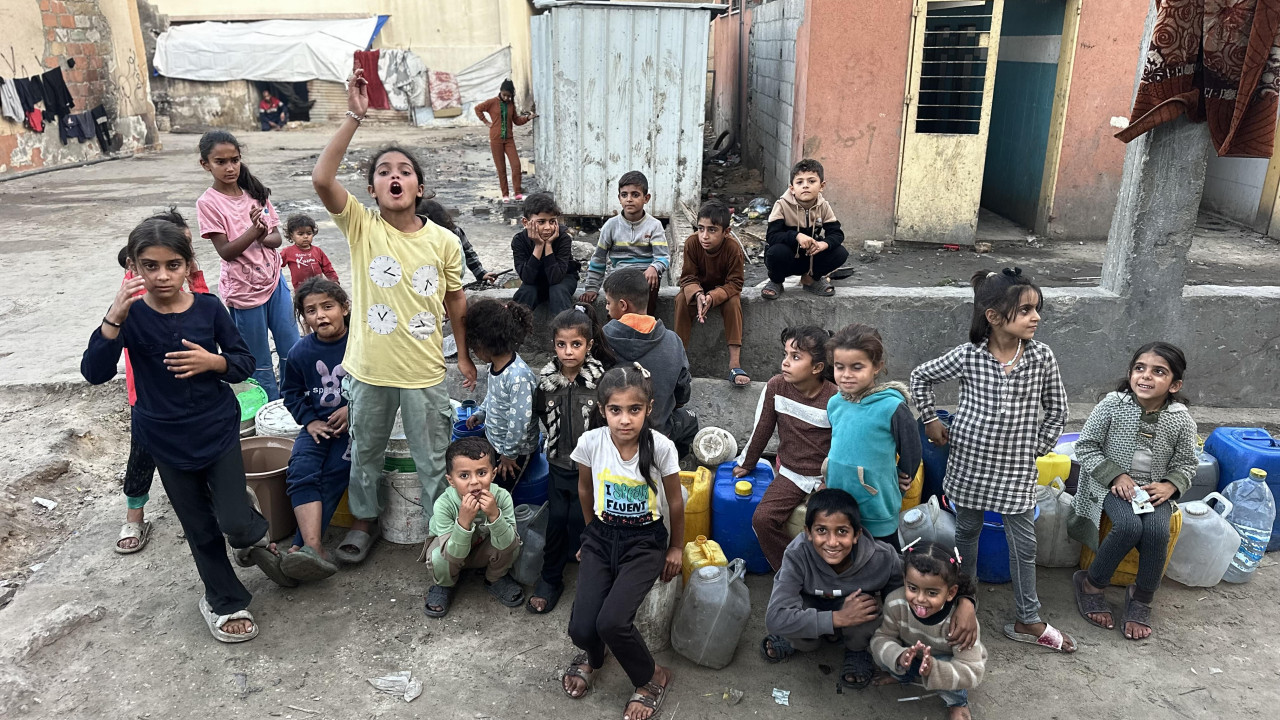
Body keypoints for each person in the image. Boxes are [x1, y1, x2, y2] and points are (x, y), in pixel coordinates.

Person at [82, 218, 295, 644]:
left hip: (216, 429)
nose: (162, 276)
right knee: (199, 527)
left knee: (235, 521)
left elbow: (244, 362)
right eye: (150, 266)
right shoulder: (130, 316)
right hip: (164, 438)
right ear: (134, 267)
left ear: (188, 264)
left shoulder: (208, 308)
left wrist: (214, 362)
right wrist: (113, 317)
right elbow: (94, 372)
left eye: (172, 265)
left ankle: (247, 527)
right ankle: (224, 600)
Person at [311, 59, 477, 565]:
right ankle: (364, 521)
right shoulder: (362, 227)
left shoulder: (444, 241)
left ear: (419, 188)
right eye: (384, 172)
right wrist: (354, 116)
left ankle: (440, 531)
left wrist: (462, 356)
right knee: (365, 454)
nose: (394, 176)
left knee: (432, 460)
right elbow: (322, 178)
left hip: (424, 371)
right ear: (373, 190)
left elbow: (455, 300)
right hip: (369, 370)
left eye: (404, 171)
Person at [910, 268, 1074, 653]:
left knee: (1024, 544)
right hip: (969, 464)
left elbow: (1058, 408)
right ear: (994, 317)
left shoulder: (1040, 357)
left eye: (1037, 309)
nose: (1036, 317)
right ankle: (965, 602)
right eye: (1026, 310)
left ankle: (1027, 617)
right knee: (967, 533)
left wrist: (1037, 446)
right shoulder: (969, 356)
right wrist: (930, 419)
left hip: (1016, 471)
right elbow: (920, 377)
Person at [560, 365, 684, 720]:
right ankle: (595, 656)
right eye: (615, 410)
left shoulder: (660, 447)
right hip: (601, 535)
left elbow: (676, 502)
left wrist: (676, 547)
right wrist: (590, 536)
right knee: (581, 627)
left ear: (649, 409)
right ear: (602, 410)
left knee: (612, 622)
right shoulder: (591, 443)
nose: (625, 419)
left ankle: (651, 676)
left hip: (645, 541)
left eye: (634, 409)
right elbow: (585, 490)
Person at [763, 489, 979, 690]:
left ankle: (857, 651)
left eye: (842, 531)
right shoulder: (797, 554)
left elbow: (929, 577)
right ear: (808, 532)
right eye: (821, 531)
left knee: (871, 608)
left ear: (856, 534)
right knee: (800, 637)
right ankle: (794, 640)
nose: (832, 542)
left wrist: (966, 601)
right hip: (812, 607)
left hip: (857, 614)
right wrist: (838, 618)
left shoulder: (881, 557)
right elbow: (774, 617)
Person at [1069, 342, 1199, 641]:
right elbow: (1086, 446)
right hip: (1109, 484)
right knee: (1128, 526)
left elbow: (1187, 463)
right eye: (1140, 368)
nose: (1146, 376)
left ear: (1175, 385)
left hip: (1154, 490)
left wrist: (1170, 484)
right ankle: (1091, 583)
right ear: (1130, 373)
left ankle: (1141, 596)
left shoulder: (1181, 419)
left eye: (1159, 372)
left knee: (1156, 531)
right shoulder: (1112, 406)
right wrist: (1116, 475)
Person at [114, 208, 209, 555]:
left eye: (184, 252)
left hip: (193, 387)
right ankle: (135, 515)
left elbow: (207, 315)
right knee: (142, 452)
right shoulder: (137, 289)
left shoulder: (190, 281)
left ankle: (206, 501)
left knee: (201, 445)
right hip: (150, 395)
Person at [196, 129, 299, 402]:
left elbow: (276, 239)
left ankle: (294, 400)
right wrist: (254, 231)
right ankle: (269, 408)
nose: (230, 168)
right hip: (244, 291)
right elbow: (226, 252)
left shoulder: (255, 193)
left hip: (274, 280)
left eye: (235, 160)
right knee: (258, 359)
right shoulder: (208, 203)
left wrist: (262, 233)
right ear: (206, 164)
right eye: (220, 162)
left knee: (292, 347)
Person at [527, 304, 616, 614]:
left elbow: (610, 424)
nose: (568, 351)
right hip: (558, 465)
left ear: (588, 345)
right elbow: (540, 414)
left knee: (587, 522)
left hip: (591, 470)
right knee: (556, 522)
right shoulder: (546, 382)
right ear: (553, 345)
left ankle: (593, 583)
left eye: (576, 344)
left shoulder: (600, 383)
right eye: (561, 344)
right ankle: (551, 578)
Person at [741, 326, 837, 571]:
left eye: (795, 357)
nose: (785, 362)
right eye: (785, 354)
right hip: (791, 473)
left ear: (817, 367)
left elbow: (842, 445)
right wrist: (746, 464)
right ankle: (794, 571)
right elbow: (761, 429)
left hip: (827, 475)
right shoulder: (776, 387)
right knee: (762, 520)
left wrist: (830, 480)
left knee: (830, 528)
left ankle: (830, 574)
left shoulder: (835, 398)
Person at [277, 277, 351, 582]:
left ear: (344, 307)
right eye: (310, 311)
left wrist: (353, 409)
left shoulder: (361, 345)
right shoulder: (300, 352)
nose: (320, 315)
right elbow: (291, 393)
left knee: (333, 474)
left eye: (327, 306)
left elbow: (379, 383)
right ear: (304, 317)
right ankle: (313, 548)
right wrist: (309, 421)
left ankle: (301, 546)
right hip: (317, 428)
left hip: (355, 430)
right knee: (301, 470)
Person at [826, 323, 923, 549]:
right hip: (838, 501)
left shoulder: (892, 407)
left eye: (857, 367)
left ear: (877, 366)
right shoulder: (835, 403)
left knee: (882, 556)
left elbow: (911, 449)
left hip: (876, 505)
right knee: (843, 553)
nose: (846, 375)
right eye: (839, 367)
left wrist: (903, 475)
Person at [871, 540, 987, 720]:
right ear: (904, 580)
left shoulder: (960, 622)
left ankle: (957, 702)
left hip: (943, 662)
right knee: (887, 656)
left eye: (932, 593)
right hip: (910, 655)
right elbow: (882, 638)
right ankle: (903, 675)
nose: (920, 599)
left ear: (951, 592)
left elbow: (972, 671)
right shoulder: (895, 602)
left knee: (952, 680)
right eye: (912, 588)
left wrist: (934, 669)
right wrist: (898, 656)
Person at [421, 436, 524, 616]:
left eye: (482, 473)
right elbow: (452, 555)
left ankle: (494, 578)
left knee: (513, 542)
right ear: (451, 480)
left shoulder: (502, 497)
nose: (474, 481)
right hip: (452, 553)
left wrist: (494, 515)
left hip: (483, 549)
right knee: (438, 557)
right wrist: (463, 522)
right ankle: (445, 584)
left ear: (493, 474)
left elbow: (508, 545)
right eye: (464, 475)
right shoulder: (444, 504)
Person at [601, 268, 692, 441]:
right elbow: (683, 392)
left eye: (608, 303)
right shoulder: (673, 340)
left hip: (614, 433)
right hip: (658, 434)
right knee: (690, 419)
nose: (606, 308)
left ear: (623, 305)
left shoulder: (602, 339)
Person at [463, 299, 540, 487]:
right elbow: (493, 395)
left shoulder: (518, 377)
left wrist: (509, 455)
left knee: (501, 491)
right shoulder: (495, 365)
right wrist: (482, 413)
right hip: (495, 440)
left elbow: (520, 421)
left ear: (484, 344)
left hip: (516, 451)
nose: (474, 352)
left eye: (473, 348)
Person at [675, 200, 747, 386]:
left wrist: (714, 297)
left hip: (723, 292)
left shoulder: (732, 248)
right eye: (701, 229)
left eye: (712, 230)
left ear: (726, 231)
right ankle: (678, 361)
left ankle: (734, 364)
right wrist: (698, 294)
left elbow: (736, 283)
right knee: (681, 299)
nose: (704, 236)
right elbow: (687, 278)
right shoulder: (692, 243)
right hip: (697, 291)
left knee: (734, 303)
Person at [579, 171, 669, 315]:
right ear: (619, 198)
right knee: (616, 307)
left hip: (644, 275)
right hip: (620, 275)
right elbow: (599, 258)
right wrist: (591, 287)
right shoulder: (611, 226)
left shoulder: (654, 225)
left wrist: (654, 267)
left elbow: (663, 257)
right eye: (624, 195)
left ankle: (646, 321)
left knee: (649, 285)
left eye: (635, 195)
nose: (629, 199)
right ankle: (616, 324)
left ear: (646, 198)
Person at [762, 159, 848, 300]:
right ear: (792, 188)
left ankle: (810, 279)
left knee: (840, 252)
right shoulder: (782, 205)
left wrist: (823, 244)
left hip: (810, 258)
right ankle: (776, 281)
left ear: (822, 186)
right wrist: (796, 236)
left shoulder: (823, 206)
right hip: (787, 258)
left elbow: (837, 233)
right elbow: (772, 236)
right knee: (776, 252)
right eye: (799, 182)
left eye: (811, 181)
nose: (805, 186)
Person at [512, 192, 580, 316]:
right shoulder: (519, 241)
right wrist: (538, 246)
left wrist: (548, 245)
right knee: (527, 291)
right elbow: (527, 278)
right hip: (535, 280)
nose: (548, 227)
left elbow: (555, 278)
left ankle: (565, 326)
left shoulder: (563, 238)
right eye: (541, 222)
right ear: (526, 222)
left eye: (552, 221)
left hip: (563, 278)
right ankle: (514, 326)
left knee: (557, 290)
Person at [475, 79, 535, 202]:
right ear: (500, 92)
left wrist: (528, 118)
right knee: (501, 168)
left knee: (516, 165)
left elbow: (516, 120)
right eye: (504, 95)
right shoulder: (492, 102)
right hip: (495, 139)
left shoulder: (511, 105)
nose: (507, 98)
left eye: (509, 96)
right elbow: (477, 108)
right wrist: (486, 122)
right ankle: (505, 195)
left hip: (509, 140)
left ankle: (517, 193)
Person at [419, 199, 497, 285]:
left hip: (451, 278)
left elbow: (468, 253)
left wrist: (481, 273)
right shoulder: (415, 236)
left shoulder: (453, 231)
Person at [280, 214, 339, 291]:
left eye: (309, 233)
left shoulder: (317, 251)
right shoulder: (288, 252)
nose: (305, 236)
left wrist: (334, 281)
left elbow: (327, 267)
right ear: (291, 236)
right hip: (300, 289)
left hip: (318, 287)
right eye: (300, 234)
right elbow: (276, 265)